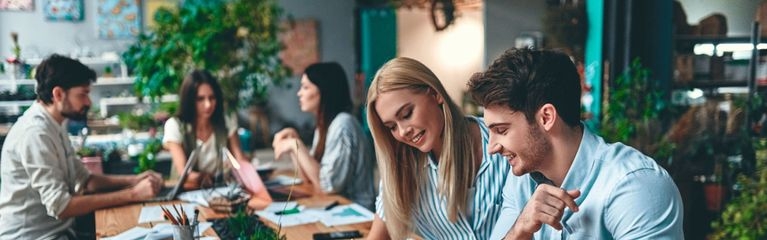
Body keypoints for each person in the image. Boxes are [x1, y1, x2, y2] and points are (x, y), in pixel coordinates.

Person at [467, 48, 684, 239]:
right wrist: (520, 231)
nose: (492, 147)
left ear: (546, 118)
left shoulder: (634, 185)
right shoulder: (520, 182)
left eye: (502, 130)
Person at [0, 54, 164, 239]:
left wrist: (134, 180)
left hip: (62, 233)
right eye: (83, 94)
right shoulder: (35, 133)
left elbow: (86, 180)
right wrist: (133, 194)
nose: (88, 102)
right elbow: (60, 206)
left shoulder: (55, 124)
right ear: (58, 94)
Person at [365, 57, 512, 239]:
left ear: (435, 94)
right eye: (391, 127)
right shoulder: (400, 168)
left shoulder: (504, 140)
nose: (403, 132)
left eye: (406, 114)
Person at [162, 70, 271, 211]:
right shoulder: (175, 125)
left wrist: (252, 176)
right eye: (200, 99)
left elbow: (239, 159)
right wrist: (205, 177)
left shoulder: (225, 120)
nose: (208, 104)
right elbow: (185, 174)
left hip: (222, 195)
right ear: (189, 100)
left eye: (212, 98)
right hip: (186, 199)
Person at [272, 62, 376, 210]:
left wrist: (296, 145)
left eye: (306, 87)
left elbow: (326, 186)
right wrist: (295, 146)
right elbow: (308, 179)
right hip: (334, 209)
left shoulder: (342, 125)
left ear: (324, 91)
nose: (299, 93)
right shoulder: (323, 126)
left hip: (355, 214)